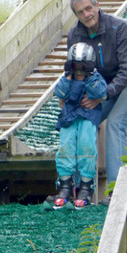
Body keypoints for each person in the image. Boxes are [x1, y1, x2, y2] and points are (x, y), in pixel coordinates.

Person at [67, 0, 127, 196]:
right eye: (80, 12)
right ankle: (76, 187)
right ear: (76, 16)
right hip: (101, 86)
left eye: (89, 8)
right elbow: (74, 71)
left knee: (115, 123)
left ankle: (117, 190)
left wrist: (103, 95)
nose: (87, 15)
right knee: (81, 119)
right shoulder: (75, 35)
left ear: (97, 5)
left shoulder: (118, 27)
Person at [52, 42, 107, 208]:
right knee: (65, 147)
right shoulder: (68, 78)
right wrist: (68, 76)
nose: (80, 72)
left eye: (84, 67)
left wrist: (89, 77)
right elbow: (60, 93)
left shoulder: (95, 78)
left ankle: (86, 185)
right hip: (69, 118)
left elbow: (100, 92)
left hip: (87, 117)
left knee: (86, 146)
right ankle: (65, 185)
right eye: (76, 67)